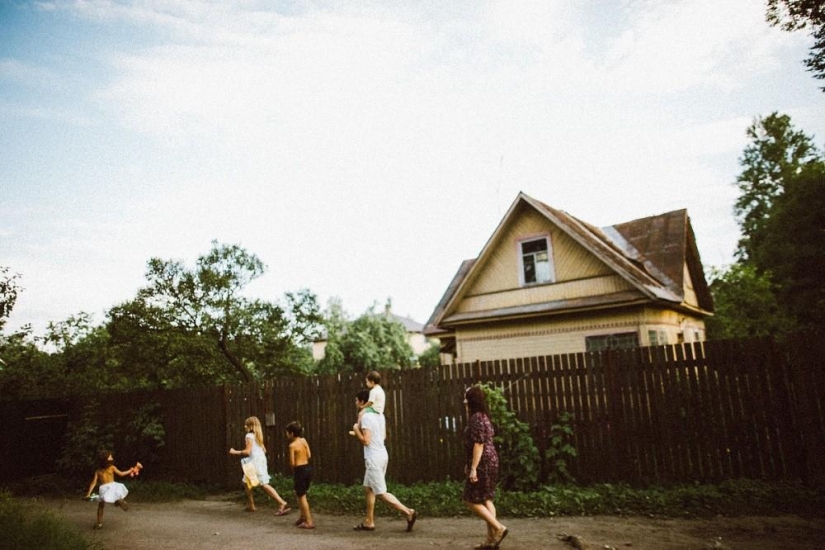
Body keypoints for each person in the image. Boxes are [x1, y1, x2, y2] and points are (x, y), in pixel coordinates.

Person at [350, 389, 417, 532]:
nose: (356, 403)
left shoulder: (366, 417)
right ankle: (369, 521)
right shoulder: (380, 415)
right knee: (368, 489)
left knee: (380, 492)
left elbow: (366, 441)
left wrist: (356, 430)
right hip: (382, 454)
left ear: (363, 402)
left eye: (357, 400)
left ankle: (408, 512)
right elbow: (383, 436)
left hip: (373, 457)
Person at [462, 386, 508, 549]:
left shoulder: (476, 418)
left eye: (466, 398)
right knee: (486, 498)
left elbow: (479, 444)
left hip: (483, 462)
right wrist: (469, 464)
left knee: (469, 499)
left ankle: (498, 528)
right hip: (489, 460)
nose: (464, 401)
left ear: (471, 400)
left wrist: (474, 467)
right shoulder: (483, 416)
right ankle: (491, 540)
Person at [229, 416, 290, 515]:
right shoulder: (258, 436)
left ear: (251, 426)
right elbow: (264, 450)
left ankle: (282, 503)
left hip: (254, 463)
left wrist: (235, 452)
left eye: (246, 424)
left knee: (264, 484)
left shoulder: (249, 436)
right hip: (260, 461)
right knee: (245, 482)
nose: (244, 426)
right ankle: (251, 505)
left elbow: (247, 452)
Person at [84, 449, 139, 530]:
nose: (112, 457)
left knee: (101, 505)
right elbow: (121, 474)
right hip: (113, 486)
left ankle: (99, 523)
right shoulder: (112, 468)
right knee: (115, 497)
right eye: (110, 457)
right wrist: (130, 470)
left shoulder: (98, 471)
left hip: (104, 488)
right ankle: (119, 502)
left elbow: (93, 483)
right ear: (106, 460)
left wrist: (88, 494)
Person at [286, 421, 314, 529]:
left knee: (302, 496)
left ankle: (309, 521)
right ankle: (303, 516)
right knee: (298, 493)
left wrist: (294, 471)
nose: (287, 435)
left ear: (292, 433)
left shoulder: (292, 445)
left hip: (299, 470)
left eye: (287, 433)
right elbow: (309, 455)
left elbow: (292, 463)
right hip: (307, 468)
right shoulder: (303, 440)